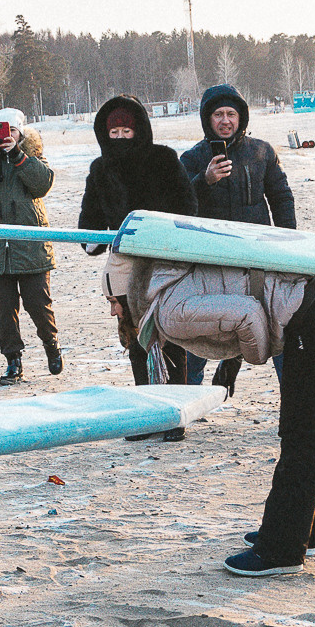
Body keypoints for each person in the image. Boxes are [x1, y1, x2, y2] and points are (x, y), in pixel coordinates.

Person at [124, 253, 315, 576]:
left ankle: (281, 551)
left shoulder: (168, 311)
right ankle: (302, 534)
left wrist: (253, 355)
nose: (112, 311)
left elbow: (247, 314)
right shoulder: (170, 279)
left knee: (302, 433)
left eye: (112, 301)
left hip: (313, 312)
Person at [78, 94, 198, 438]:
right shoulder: (100, 170)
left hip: (165, 262)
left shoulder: (164, 159)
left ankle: (176, 416)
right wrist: (94, 239)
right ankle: (147, 415)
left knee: (171, 334)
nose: (119, 140)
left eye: (126, 133)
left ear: (139, 131)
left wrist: (170, 237)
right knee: (136, 340)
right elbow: (90, 219)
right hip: (126, 266)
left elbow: (188, 206)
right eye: (113, 133)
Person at [177, 83, 296, 394]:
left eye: (231, 114)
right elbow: (175, 206)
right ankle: (186, 402)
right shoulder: (191, 159)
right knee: (199, 331)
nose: (226, 121)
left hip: (257, 258)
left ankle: (293, 407)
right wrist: (204, 181)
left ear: (241, 117)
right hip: (209, 262)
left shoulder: (262, 152)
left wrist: (289, 248)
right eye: (218, 114)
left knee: (274, 325)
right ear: (207, 119)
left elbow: (282, 198)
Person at [0, 107, 63, 386]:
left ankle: (51, 343)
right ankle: (13, 361)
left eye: (12, 131)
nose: (6, 136)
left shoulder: (33, 154)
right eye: (1, 131)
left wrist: (19, 156)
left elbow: (43, 184)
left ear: (21, 132)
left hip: (30, 246)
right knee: (4, 309)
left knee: (38, 304)